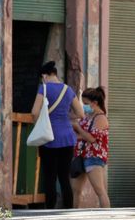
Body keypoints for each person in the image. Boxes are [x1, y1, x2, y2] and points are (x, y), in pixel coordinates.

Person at [31, 61, 84, 209]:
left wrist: (40, 122)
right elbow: (80, 113)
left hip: (48, 139)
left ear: (44, 75)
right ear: (55, 73)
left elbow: (34, 112)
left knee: (50, 177)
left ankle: (49, 210)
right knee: (64, 178)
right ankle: (68, 210)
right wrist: (65, 118)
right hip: (67, 138)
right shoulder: (68, 90)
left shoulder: (44, 88)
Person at [71, 86, 110, 208]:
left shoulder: (101, 118)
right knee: (76, 191)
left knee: (100, 191)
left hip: (94, 157)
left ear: (95, 103)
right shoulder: (88, 117)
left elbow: (92, 139)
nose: (84, 106)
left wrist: (78, 128)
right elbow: (81, 136)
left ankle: (107, 216)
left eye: (86, 103)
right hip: (81, 156)